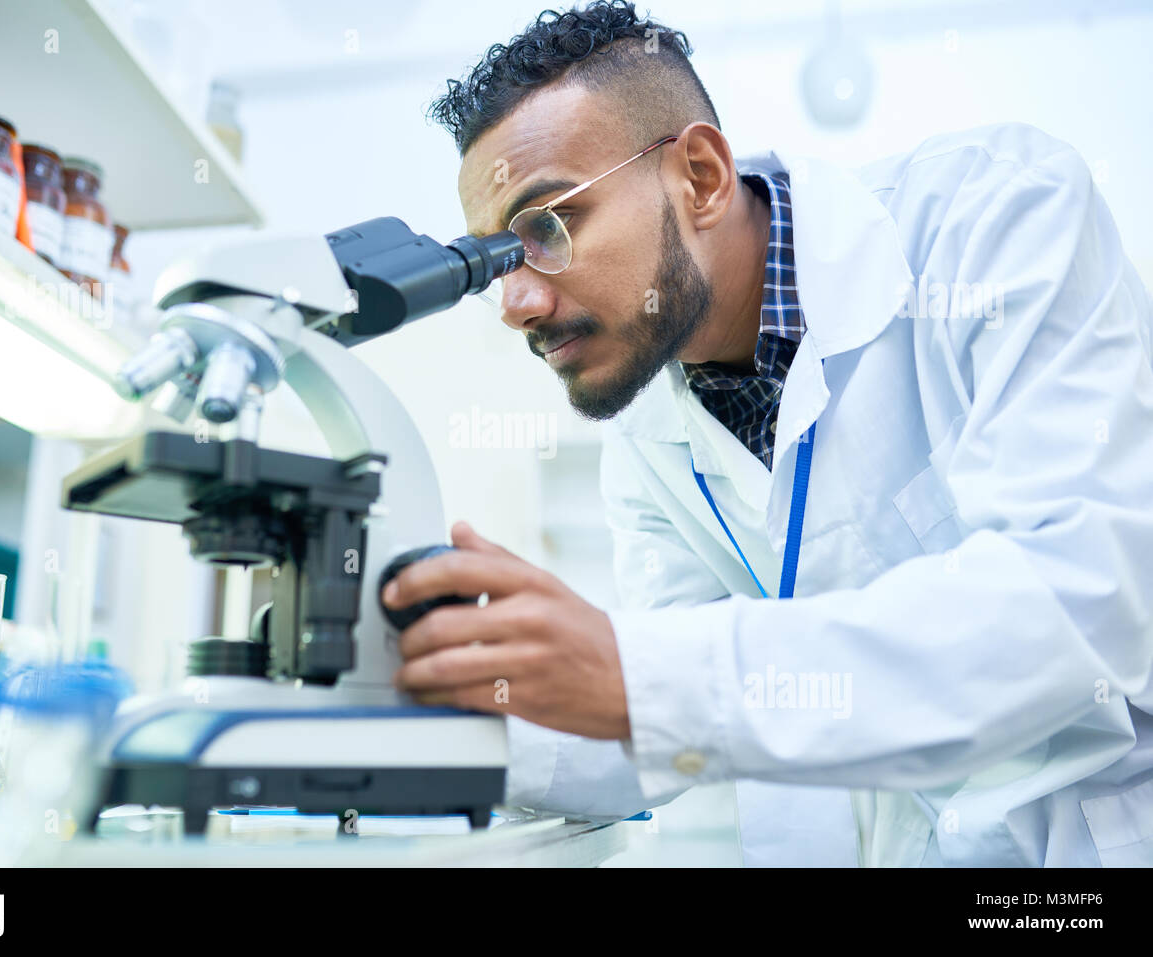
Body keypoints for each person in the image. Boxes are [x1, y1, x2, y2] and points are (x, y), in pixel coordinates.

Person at [380, 0, 1153, 866]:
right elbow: (649, 731)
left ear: (701, 177)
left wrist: (634, 671)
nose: (516, 303)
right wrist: (434, 727)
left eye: (547, 229)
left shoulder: (996, 217)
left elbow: (1077, 600)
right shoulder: (649, 431)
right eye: (494, 260)